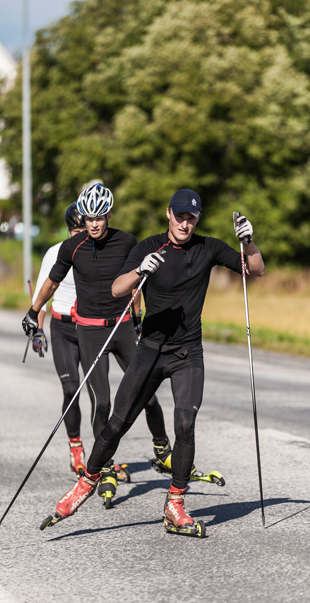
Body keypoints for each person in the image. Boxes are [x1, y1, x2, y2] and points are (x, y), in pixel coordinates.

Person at [40, 188, 265, 537]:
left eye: (191, 217)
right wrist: (139, 272)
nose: (185, 224)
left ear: (197, 219)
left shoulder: (209, 247)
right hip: (150, 350)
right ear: (168, 214)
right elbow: (117, 289)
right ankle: (87, 483)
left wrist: (248, 242)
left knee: (186, 422)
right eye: (179, 216)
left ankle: (175, 505)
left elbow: (255, 270)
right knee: (117, 422)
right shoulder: (147, 247)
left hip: (188, 352)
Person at [22, 183, 170, 506]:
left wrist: (140, 314)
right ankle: (102, 467)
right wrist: (34, 313)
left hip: (121, 328)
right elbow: (51, 283)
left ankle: (162, 448)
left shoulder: (127, 242)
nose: (93, 224)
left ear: (108, 215)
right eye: (88, 218)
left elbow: (138, 279)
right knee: (102, 402)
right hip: (88, 331)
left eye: (99, 218)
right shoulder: (71, 248)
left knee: (146, 391)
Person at [30, 202, 88, 476]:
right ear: (68, 230)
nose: (79, 235)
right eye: (75, 230)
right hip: (63, 328)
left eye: (84, 229)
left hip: (91, 329)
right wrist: (38, 331)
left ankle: (103, 457)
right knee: (71, 389)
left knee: (102, 396)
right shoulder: (56, 253)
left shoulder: (97, 251)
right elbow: (40, 298)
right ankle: (75, 448)